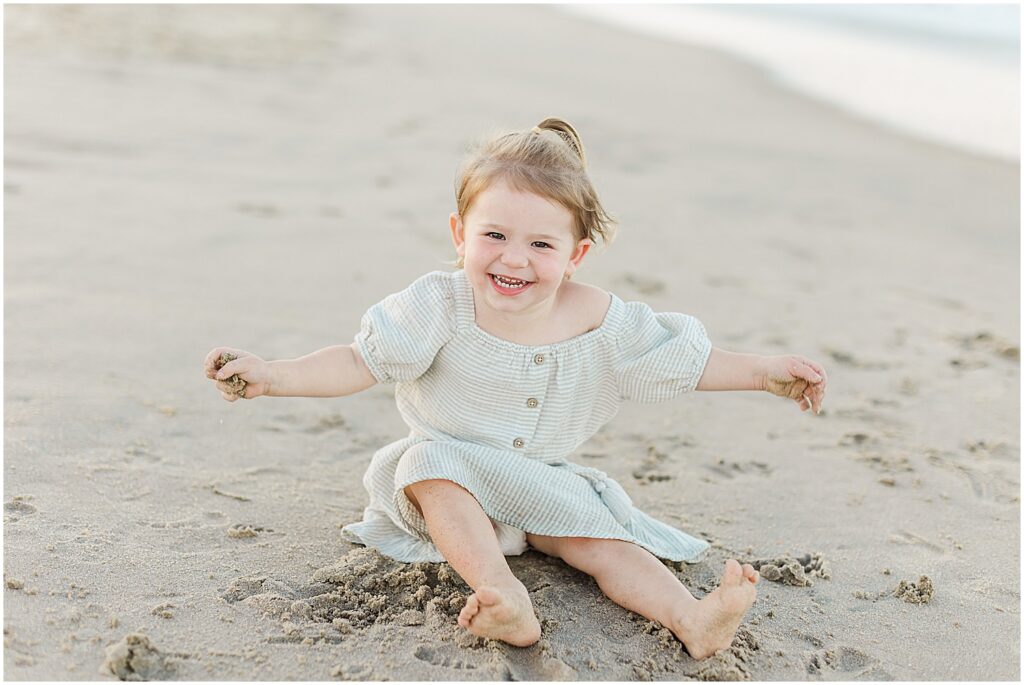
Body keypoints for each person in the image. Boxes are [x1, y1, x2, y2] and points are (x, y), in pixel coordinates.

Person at [203, 117, 827, 659]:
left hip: (540, 482)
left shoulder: (600, 320)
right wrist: (272, 376)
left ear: (576, 255)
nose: (513, 259)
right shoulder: (438, 305)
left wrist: (762, 372)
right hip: (450, 487)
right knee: (427, 462)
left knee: (602, 544)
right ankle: (503, 595)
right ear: (459, 234)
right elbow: (358, 361)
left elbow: (685, 363)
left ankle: (692, 619)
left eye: (540, 244)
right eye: (494, 236)